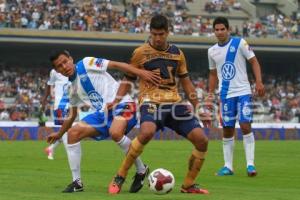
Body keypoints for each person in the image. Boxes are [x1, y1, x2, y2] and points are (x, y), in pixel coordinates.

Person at [108, 15, 210, 195]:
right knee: (146, 132)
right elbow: (128, 79)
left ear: (168, 32)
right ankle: (120, 175)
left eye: (161, 34)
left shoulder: (178, 53)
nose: (157, 38)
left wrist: (199, 108)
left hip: (174, 103)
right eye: (154, 34)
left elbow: (186, 82)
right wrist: (116, 100)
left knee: (202, 140)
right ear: (150, 32)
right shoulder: (140, 52)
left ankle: (188, 185)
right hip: (150, 101)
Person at [46, 50, 160, 193]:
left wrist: (141, 73)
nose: (64, 66)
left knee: (115, 132)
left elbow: (117, 65)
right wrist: (59, 134)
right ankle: (77, 182)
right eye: (59, 66)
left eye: (65, 61)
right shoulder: (71, 88)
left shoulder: (86, 63)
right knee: (73, 134)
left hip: (123, 104)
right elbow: (72, 115)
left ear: (71, 59)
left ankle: (141, 169)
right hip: (103, 114)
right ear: (57, 71)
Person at [207, 17, 265, 177]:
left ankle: (250, 165)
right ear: (214, 31)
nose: (219, 32)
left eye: (222, 29)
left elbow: (254, 61)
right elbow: (212, 74)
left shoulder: (240, 43)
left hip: (243, 92)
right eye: (216, 30)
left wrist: (259, 82)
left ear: (228, 29)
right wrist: (210, 93)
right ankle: (228, 166)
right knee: (227, 129)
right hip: (225, 95)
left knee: (245, 125)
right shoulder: (211, 51)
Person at [41, 69, 70, 160]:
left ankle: (50, 148)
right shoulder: (54, 72)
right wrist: (44, 100)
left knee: (64, 131)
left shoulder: (73, 71)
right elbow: (49, 84)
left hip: (70, 105)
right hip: (60, 106)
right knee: (66, 131)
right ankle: (71, 155)